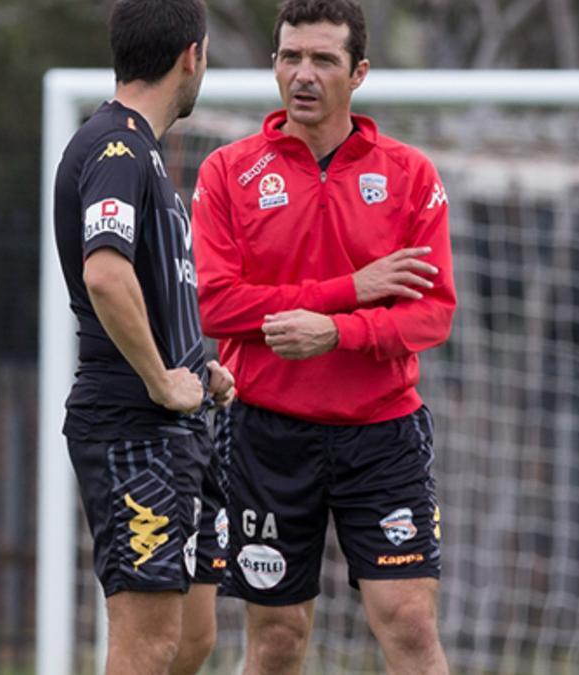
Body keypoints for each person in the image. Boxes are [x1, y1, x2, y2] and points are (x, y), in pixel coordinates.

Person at [190, 1, 455, 672]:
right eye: (290, 57)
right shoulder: (228, 173)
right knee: (278, 639)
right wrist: (351, 289)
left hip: (382, 436)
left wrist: (335, 333)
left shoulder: (408, 176)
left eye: (323, 60)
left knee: (413, 626)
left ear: (357, 72)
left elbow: (431, 315)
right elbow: (215, 305)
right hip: (267, 436)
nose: (303, 74)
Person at [51, 1, 235, 673]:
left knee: (191, 638)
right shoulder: (116, 146)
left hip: (178, 426)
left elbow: (153, 293)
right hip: (133, 427)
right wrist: (161, 380)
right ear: (193, 56)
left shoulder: (143, 154)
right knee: (148, 640)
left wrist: (195, 365)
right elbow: (106, 274)